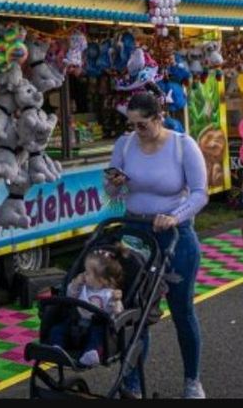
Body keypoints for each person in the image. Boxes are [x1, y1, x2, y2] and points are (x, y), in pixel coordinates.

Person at [104, 91, 209, 399]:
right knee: (137, 309)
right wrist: (114, 183)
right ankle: (133, 381)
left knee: (182, 309)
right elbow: (110, 190)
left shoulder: (182, 145)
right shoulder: (125, 144)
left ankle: (192, 380)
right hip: (136, 232)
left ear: (159, 118)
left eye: (141, 125)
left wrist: (175, 217)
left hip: (174, 235)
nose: (136, 131)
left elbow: (200, 193)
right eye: (131, 124)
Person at [46, 246, 125, 367]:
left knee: (97, 335)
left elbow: (117, 313)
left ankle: (91, 354)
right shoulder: (83, 287)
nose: (83, 274)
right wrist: (76, 283)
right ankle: (57, 348)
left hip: (96, 325)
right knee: (58, 329)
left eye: (88, 273)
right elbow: (70, 295)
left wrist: (117, 301)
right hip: (75, 321)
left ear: (102, 280)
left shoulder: (109, 294)